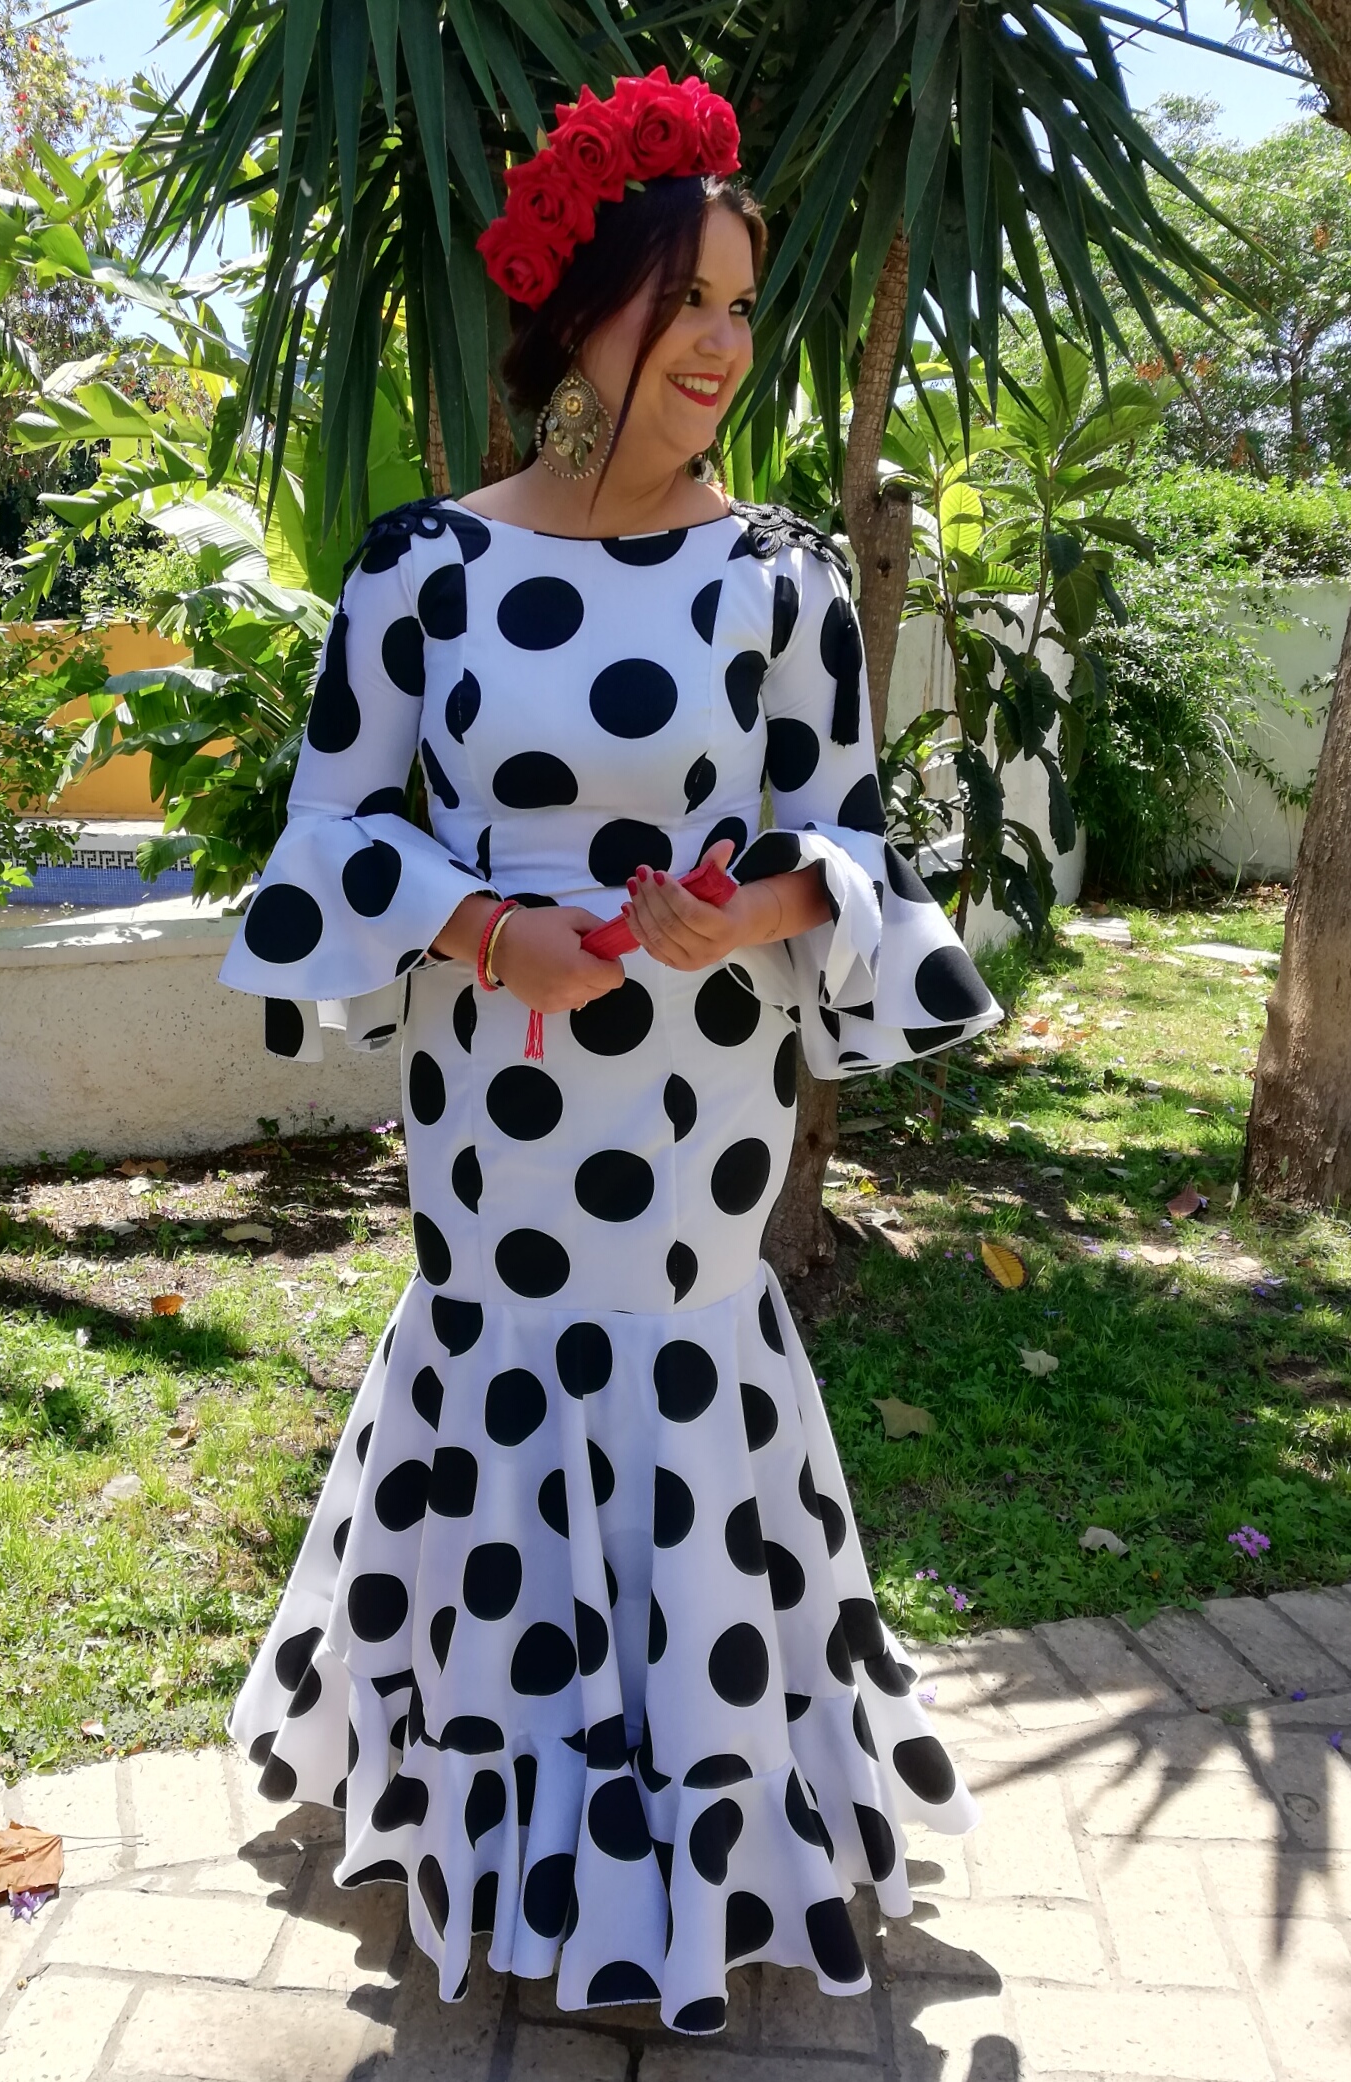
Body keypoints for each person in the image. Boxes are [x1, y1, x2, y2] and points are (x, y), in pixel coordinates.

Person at [218, 65, 1001, 2035]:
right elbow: (327, 837)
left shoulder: (783, 579)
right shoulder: (421, 570)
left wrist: (755, 905)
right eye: (684, 303)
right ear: (582, 309)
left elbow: (848, 838)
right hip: (497, 1111)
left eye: (741, 306)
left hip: (697, 1115)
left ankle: (695, 1855)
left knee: (682, 1397)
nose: (721, 346)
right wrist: (491, 929)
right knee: (500, 1382)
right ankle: (502, 1841)